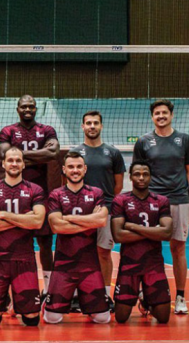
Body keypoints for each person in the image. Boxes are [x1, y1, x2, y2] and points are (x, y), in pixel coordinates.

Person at [133, 99, 189, 314]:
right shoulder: (143, 142)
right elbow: (138, 172)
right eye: (157, 113)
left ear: (171, 115)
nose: (161, 116)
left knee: (178, 248)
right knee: (148, 249)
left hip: (179, 200)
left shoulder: (184, 140)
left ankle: (180, 297)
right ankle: (147, 295)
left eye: (164, 113)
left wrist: (179, 189)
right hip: (151, 202)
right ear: (152, 117)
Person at [0, 95, 59, 295]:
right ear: (18, 109)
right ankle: (8, 290)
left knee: (45, 243)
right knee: (12, 241)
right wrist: (39, 155)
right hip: (13, 194)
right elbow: (1, 156)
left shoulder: (47, 130)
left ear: (36, 108)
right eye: (24, 106)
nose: (28, 109)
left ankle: (49, 290)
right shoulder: (8, 131)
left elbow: (53, 154)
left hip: (40, 193)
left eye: (31, 106)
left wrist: (17, 156)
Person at [0, 147, 46, 327]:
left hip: (24, 258)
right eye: (10, 160)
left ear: (24, 164)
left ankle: (17, 305)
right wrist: (24, 219)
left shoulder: (35, 189)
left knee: (31, 318)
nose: (14, 163)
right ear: (3, 164)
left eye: (18, 160)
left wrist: (3, 215)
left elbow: (38, 222)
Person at [43, 152, 110, 324]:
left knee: (103, 318)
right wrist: (90, 221)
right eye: (71, 167)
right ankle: (49, 303)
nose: (75, 170)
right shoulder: (56, 194)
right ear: (64, 169)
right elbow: (57, 227)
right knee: (52, 318)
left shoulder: (96, 193)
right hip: (63, 265)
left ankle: (86, 303)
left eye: (79, 166)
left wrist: (68, 218)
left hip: (89, 264)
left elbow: (102, 220)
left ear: (85, 169)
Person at [70, 111, 125, 311]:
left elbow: (118, 185)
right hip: (80, 210)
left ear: (101, 126)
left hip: (105, 210)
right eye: (88, 123)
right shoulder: (75, 153)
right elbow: (67, 182)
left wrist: (104, 203)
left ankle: (104, 295)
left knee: (103, 253)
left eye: (95, 123)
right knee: (79, 253)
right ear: (82, 126)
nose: (92, 126)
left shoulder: (113, 153)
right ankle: (77, 295)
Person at [111, 161, 173, 324]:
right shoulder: (120, 200)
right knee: (121, 317)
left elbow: (167, 233)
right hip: (129, 264)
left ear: (150, 177)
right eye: (137, 174)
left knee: (163, 318)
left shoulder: (161, 200)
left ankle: (147, 301)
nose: (141, 178)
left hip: (153, 264)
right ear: (130, 177)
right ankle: (142, 295)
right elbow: (118, 236)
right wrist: (153, 232)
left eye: (145, 174)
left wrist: (132, 226)